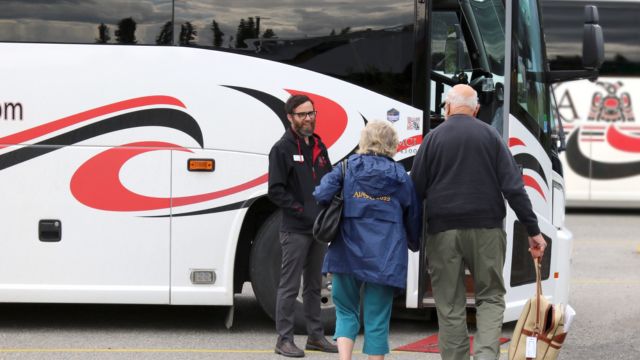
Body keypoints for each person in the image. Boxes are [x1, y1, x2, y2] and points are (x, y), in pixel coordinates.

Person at [410, 84, 547, 360]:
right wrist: (533, 230)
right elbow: (514, 188)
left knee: (449, 303)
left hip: (443, 231)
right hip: (487, 229)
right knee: (490, 297)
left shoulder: (432, 139)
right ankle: (485, 356)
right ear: (476, 109)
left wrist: (414, 237)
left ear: (447, 108)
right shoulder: (491, 136)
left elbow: (415, 190)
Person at [313, 120, 422, 360]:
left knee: (345, 311)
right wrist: (415, 242)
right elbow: (413, 215)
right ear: (392, 145)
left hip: (346, 252)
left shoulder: (346, 168)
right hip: (386, 255)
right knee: (377, 318)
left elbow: (321, 194)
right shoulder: (400, 176)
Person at [268, 94, 338, 357]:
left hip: (319, 229)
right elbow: (275, 190)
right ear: (290, 117)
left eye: (311, 113)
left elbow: (330, 180)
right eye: (302, 115)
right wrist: (302, 211)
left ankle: (315, 337)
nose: (308, 119)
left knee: (313, 286)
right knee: (289, 286)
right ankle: (283, 340)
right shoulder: (282, 149)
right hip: (295, 229)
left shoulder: (319, 146)